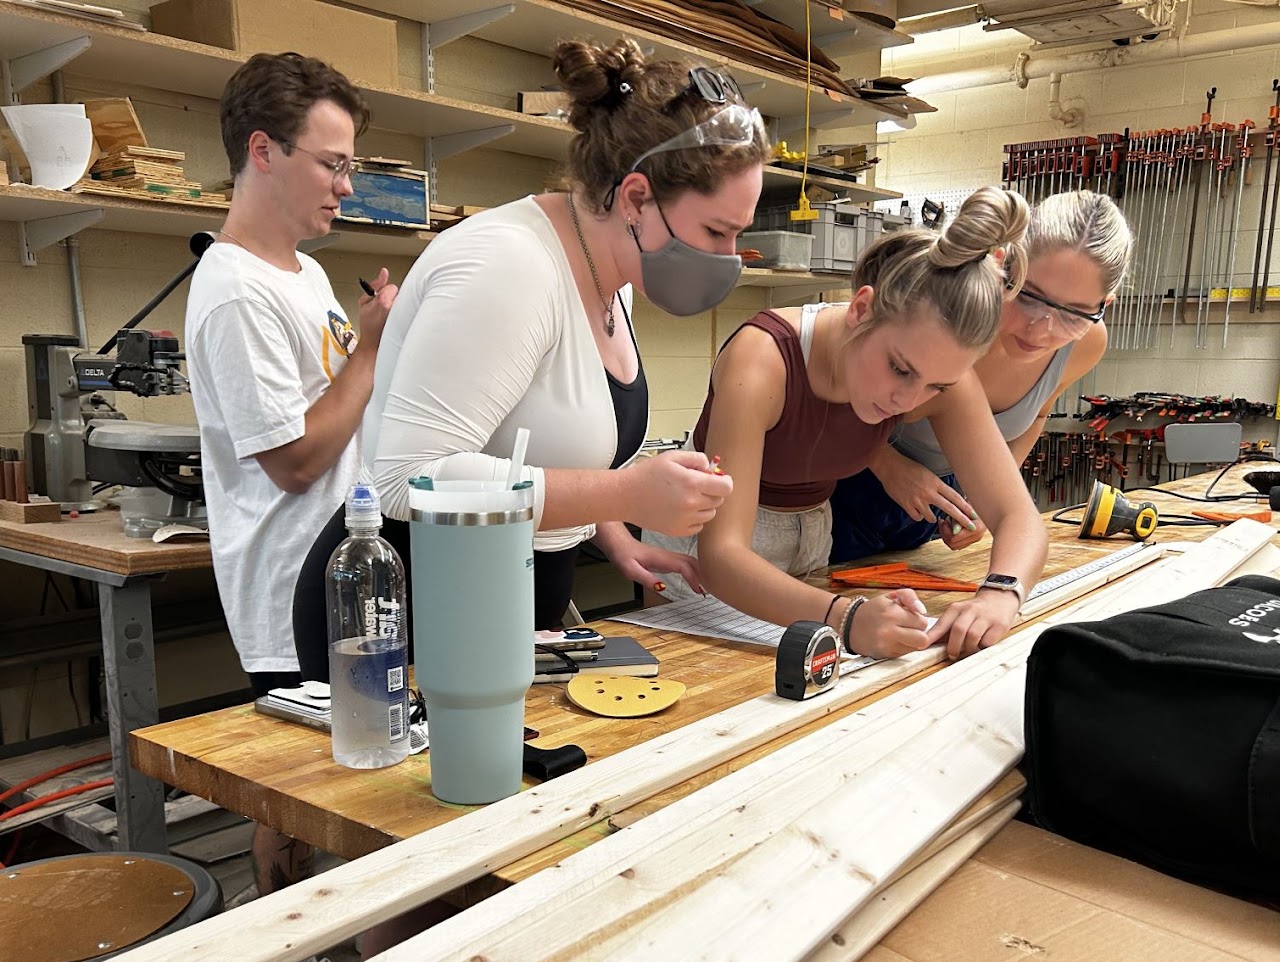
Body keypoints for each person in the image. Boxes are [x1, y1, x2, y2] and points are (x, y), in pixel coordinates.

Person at [362, 38, 768, 629]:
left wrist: (615, 535)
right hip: (417, 611)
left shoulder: (616, 275)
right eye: (714, 231)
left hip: (515, 596)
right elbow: (406, 480)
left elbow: (544, 444)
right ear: (635, 197)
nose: (727, 258)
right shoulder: (510, 265)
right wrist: (627, 496)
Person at [643, 186, 1049, 660]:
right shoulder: (762, 362)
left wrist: (1001, 592)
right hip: (702, 555)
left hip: (812, 538)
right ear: (860, 309)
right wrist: (847, 617)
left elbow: (1018, 515)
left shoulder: (934, 376)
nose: (908, 400)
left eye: (936, 387)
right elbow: (722, 556)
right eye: (900, 368)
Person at [185, 53, 396, 905]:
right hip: (288, 587)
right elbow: (296, 458)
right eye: (333, 164)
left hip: (344, 569)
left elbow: (341, 412)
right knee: (298, 789)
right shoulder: (235, 291)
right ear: (264, 151)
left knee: (352, 775)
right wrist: (374, 349)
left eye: (351, 166)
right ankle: (281, 935)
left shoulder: (305, 275)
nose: (347, 187)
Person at [829, 190, 1131, 563]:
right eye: (1029, 296)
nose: (1041, 331)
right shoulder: (951, 311)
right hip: (842, 481)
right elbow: (831, 390)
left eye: (1074, 315)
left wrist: (988, 497)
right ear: (1001, 265)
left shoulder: (1086, 345)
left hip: (931, 504)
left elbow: (1036, 416)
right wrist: (889, 466)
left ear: (1105, 307)